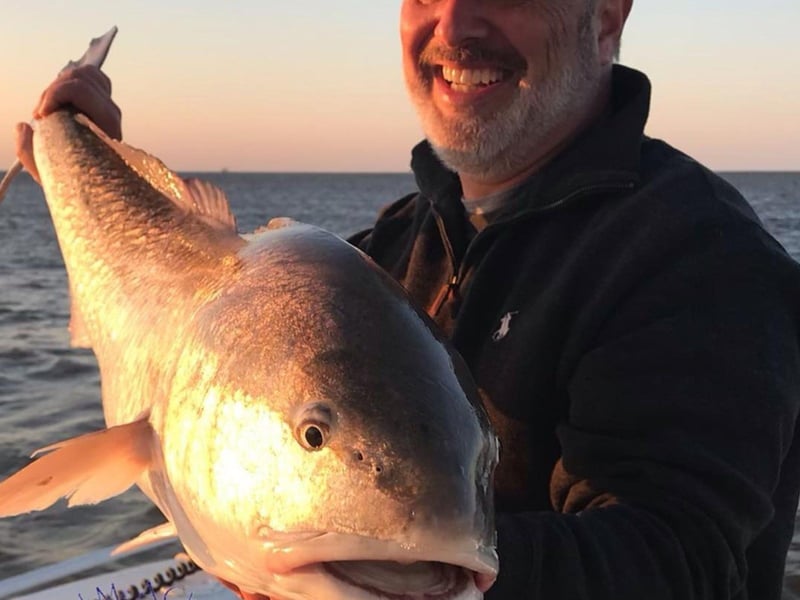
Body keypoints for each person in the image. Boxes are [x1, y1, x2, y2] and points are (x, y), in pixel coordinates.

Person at [15, 0, 800, 598]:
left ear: (606, 15)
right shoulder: (397, 243)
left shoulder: (701, 257)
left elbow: (686, 561)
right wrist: (87, 164)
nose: (454, 24)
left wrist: (407, 568)